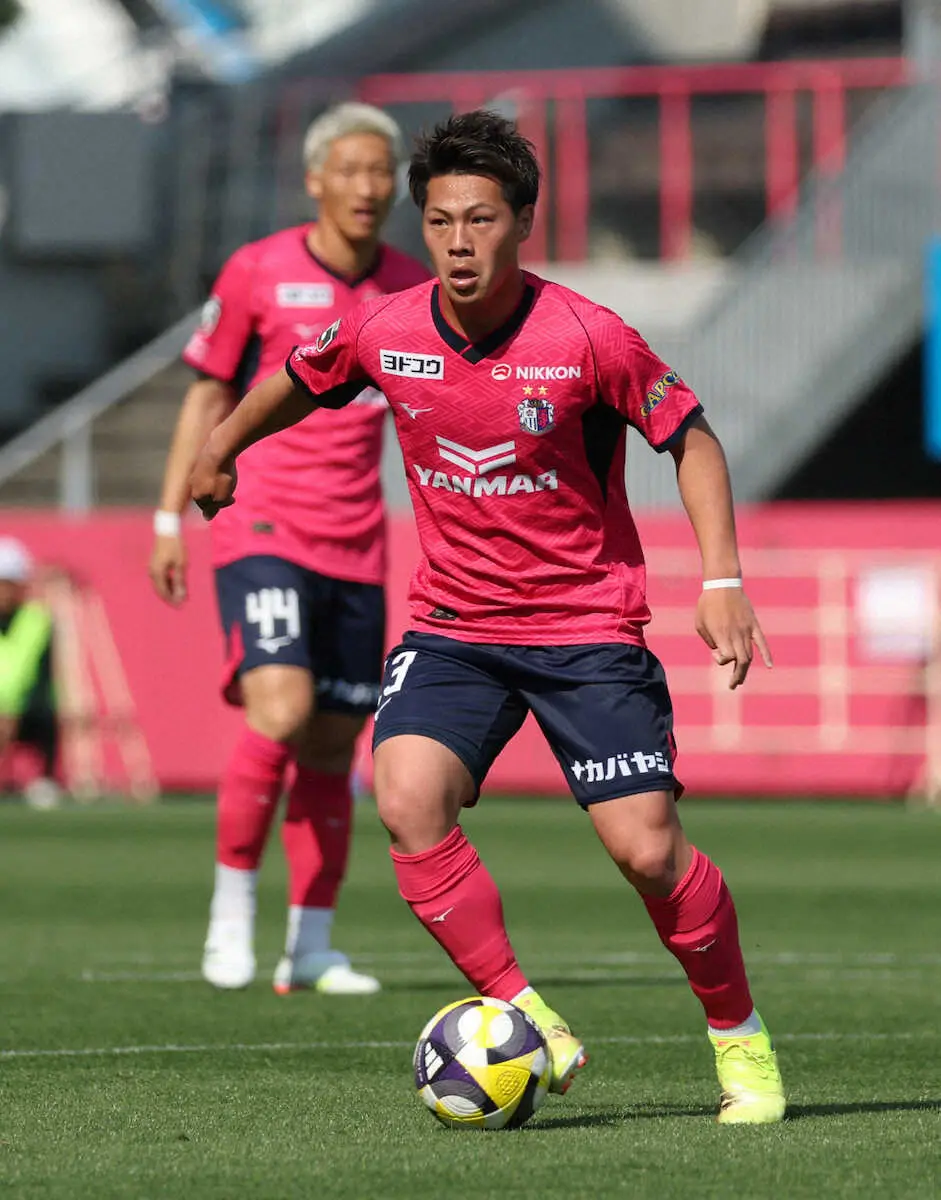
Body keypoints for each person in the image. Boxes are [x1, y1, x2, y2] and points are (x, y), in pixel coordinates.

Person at [189, 109, 786, 1123]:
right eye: (438, 222)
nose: (458, 243)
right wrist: (220, 449)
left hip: (584, 628)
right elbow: (295, 377)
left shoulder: (589, 337)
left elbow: (690, 439)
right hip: (454, 628)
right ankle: (526, 1014)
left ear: (521, 223)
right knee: (406, 795)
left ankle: (739, 1039)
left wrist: (720, 581)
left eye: (479, 220)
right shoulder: (386, 327)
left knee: (647, 851)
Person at [150, 102, 430, 995]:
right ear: (314, 180)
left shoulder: (411, 287)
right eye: (348, 169)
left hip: (357, 541)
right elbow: (206, 395)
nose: (366, 186)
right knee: (279, 708)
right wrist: (169, 516)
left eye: (380, 171)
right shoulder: (258, 270)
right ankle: (229, 919)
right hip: (261, 522)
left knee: (333, 742)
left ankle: (311, 944)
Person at [0, 538, 61, 811]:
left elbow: (42, 680)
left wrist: (14, 711)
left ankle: (45, 779)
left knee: (47, 715)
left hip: (26, 712)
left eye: (8, 584)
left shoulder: (37, 620)